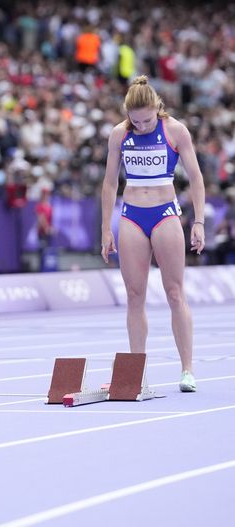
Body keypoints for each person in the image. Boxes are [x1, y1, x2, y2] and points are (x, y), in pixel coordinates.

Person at [100, 76, 205, 393]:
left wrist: (198, 221)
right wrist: (106, 228)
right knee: (135, 296)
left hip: (164, 215)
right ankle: (136, 374)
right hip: (131, 215)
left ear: (157, 109)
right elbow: (109, 183)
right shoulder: (119, 134)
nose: (142, 125)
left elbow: (196, 178)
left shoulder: (175, 131)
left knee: (175, 292)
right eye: (136, 120)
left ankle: (187, 369)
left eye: (147, 120)